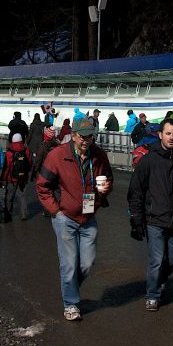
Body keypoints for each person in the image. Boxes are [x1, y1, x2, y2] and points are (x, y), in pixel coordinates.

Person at [35, 118, 114, 322]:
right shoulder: (57, 156)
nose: (86, 141)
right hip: (66, 218)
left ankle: (70, 288)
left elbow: (108, 178)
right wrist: (56, 211)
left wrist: (104, 191)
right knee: (69, 264)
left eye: (90, 136)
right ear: (74, 135)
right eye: (82, 136)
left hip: (88, 217)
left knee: (86, 264)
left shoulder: (98, 155)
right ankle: (71, 304)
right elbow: (42, 186)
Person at [128, 118, 173, 311]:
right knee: (156, 260)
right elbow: (136, 190)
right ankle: (153, 294)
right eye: (168, 133)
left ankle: (160, 277)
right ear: (160, 135)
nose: (171, 137)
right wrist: (136, 219)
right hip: (154, 218)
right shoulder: (149, 160)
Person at [1, 133, 33, 220]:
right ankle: (23, 214)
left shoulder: (9, 152)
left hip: (12, 178)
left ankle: (8, 214)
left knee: (9, 197)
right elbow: (29, 163)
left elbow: (6, 167)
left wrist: (3, 178)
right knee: (22, 196)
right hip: (23, 178)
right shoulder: (26, 150)